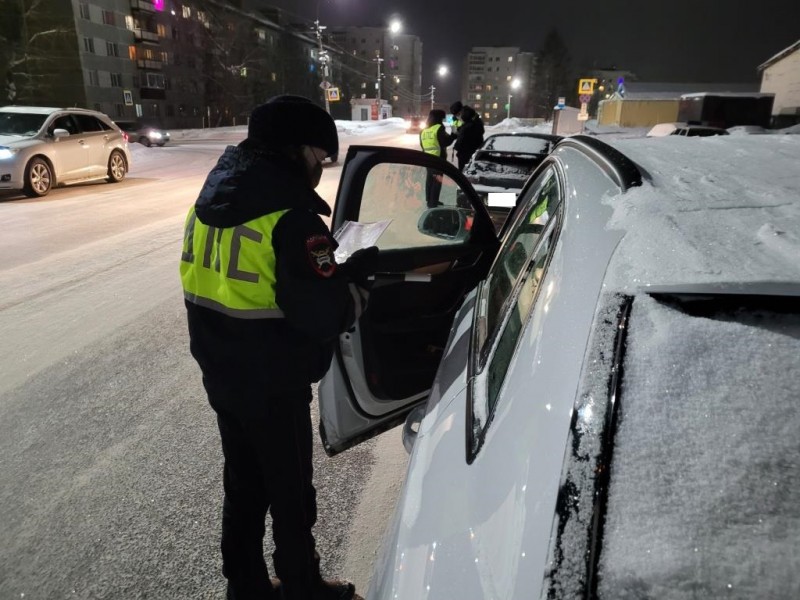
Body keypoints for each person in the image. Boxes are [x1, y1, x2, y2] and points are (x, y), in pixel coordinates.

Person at [180, 95, 378, 600]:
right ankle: (302, 585)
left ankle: (244, 585)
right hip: (273, 379)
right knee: (290, 493)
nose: (319, 168)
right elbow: (325, 313)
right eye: (320, 156)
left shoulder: (210, 200)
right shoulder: (291, 219)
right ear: (296, 151)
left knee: (243, 484)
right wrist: (356, 280)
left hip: (222, 372)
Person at [419, 108, 454, 208]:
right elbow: (445, 142)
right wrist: (453, 136)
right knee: (437, 181)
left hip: (427, 158)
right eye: (442, 119)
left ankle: (429, 200)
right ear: (438, 118)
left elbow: (422, 145)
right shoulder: (439, 128)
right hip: (438, 159)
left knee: (429, 180)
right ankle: (433, 203)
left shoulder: (424, 130)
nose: (442, 121)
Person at [453, 105, 485, 171]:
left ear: (465, 114)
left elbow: (462, 140)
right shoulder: (475, 122)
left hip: (466, 155)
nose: (460, 116)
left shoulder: (469, 126)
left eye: (460, 114)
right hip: (471, 154)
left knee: (464, 174)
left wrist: (456, 146)